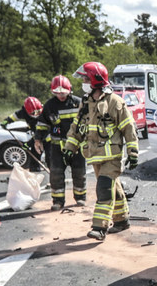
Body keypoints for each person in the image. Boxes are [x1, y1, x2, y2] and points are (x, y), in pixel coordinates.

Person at [65, 62, 139, 242]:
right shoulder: (86, 102)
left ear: (95, 80)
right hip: (95, 156)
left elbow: (128, 128)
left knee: (104, 189)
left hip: (112, 157)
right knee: (115, 188)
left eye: (85, 78)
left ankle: (99, 228)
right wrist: (69, 148)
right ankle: (122, 220)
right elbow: (77, 127)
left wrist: (133, 152)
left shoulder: (115, 102)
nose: (82, 81)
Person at [36, 75, 87, 210]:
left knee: (79, 173)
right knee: (56, 174)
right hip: (57, 148)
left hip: (76, 147)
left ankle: (80, 198)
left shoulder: (79, 103)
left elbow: (88, 121)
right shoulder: (50, 105)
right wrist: (38, 139)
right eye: (57, 93)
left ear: (69, 90)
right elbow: (42, 124)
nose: (60, 96)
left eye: (63, 93)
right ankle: (58, 201)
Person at [3, 96, 44, 167]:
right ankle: (35, 170)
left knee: (47, 152)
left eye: (38, 111)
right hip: (35, 132)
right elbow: (15, 116)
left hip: (46, 134)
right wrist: (7, 121)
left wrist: (29, 143)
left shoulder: (45, 114)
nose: (36, 114)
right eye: (33, 113)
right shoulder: (24, 112)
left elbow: (42, 133)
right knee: (35, 152)